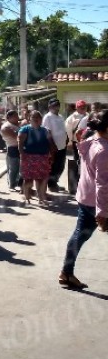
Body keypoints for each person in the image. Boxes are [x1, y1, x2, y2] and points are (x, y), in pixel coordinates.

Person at [59, 109, 108, 289]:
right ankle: (66, 272)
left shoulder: (92, 140)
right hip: (97, 202)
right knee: (80, 235)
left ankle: (67, 271)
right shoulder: (103, 150)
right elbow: (103, 184)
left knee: (79, 235)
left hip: (86, 196)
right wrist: (102, 213)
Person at [18, 110, 55, 206]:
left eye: (38, 118)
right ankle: (27, 197)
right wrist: (22, 155)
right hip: (29, 157)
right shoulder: (24, 129)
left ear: (41, 119)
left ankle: (41, 198)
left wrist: (52, 154)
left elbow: (50, 143)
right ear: (29, 119)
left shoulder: (45, 130)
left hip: (43, 157)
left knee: (41, 179)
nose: (36, 119)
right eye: (33, 117)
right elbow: (20, 143)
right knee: (28, 180)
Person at [42, 99, 67, 192]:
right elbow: (47, 132)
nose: (56, 107)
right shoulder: (48, 117)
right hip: (53, 147)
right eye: (54, 105)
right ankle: (51, 185)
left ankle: (55, 182)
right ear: (49, 106)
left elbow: (63, 130)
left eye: (57, 105)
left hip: (62, 146)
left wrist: (66, 138)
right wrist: (52, 146)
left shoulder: (60, 117)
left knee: (60, 166)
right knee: (53, 167)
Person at [65, 100, 88, 194]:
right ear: (77, 107)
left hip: (87, 142)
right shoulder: (71, 118)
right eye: (81, 107)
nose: (83, 109)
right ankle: (74, 186)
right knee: (76, 162)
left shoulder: (88, 116)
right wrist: (70, 141)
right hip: (76, 142)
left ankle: (83, 184)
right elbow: (68, 130)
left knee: (85, 163)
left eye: (84, 107)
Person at [0, 110, 21, 190]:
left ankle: (18, 183)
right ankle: (12, 184)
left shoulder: (15, 125)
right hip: (12, 148)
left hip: (19, 147)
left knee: (19, 167)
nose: (17, 118)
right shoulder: (6, 126)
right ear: (9, 117)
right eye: (15, 116)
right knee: (13, 167)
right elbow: (17, 136)